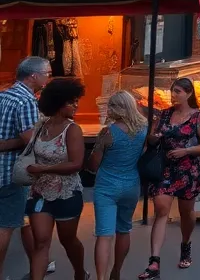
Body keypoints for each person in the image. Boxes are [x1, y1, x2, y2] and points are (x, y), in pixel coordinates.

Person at [140, 78, 200, 278]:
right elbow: (153, 136)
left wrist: (187, 150)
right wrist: (154, 138)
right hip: (164, 169)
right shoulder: (164, 115)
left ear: (189, 94)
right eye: (172, 92)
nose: (173, 96)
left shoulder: (199, 117)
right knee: (161, 210)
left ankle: (186, 243)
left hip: (188, 170)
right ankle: (154, 261)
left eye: (178, 92)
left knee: (186, 212)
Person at [25, 77, 87, 280]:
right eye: (71, 101)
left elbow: (76, 164)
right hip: (39, 192)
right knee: (41, 242)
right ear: (58, 103)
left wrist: (42, 169)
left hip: (67, 194)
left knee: (68, 240)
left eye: (76, 100)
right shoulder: (41, 126)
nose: (76, 105)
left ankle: (79, 272)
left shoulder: (73, 130)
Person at [88, 90, 147, 280]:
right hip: (131, 184)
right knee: (124, 229)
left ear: (116, 109)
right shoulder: (144, 129)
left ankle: (101, 278)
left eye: (110, 106)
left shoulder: (107, 133)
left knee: (104, 235)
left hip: (107, 186)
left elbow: (94, 165)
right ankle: (117, 271)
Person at [0, 58, 51, 275]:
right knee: (6, 226)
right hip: (13, 172)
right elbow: (31, 139)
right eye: (47, 73)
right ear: (33, 76)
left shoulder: (4, 95)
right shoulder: (26, 101)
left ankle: (39, 262)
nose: (49, 77)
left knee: (22, 220)